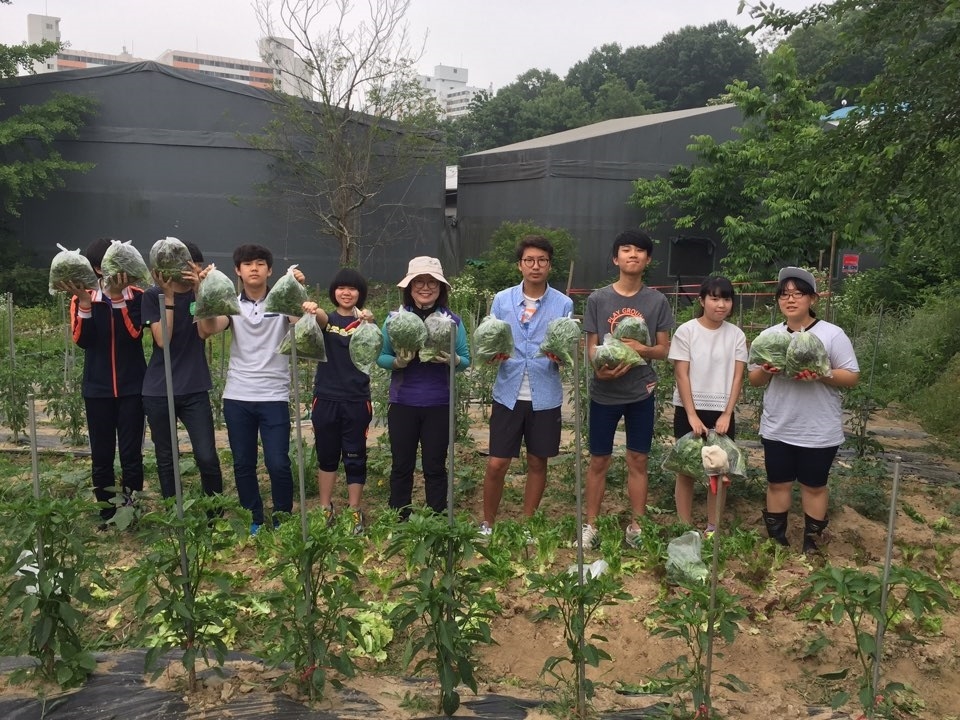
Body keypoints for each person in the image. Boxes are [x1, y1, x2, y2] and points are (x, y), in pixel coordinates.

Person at [748, 267, 859, 553]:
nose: (791, 299)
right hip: (779, 425)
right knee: (777, 483)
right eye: (784, 294)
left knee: (814, 487)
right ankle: (777, 543)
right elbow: (755, 380)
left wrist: (821, 373)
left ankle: (813, 544)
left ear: (812, 299)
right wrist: (766, 370)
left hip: (818, 427)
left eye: (798, 293)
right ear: (778, 301)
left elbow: (851, 377)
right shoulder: (769, 336)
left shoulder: (832, 334)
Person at [197, 244, 303, 535]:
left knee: (278, 462)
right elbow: (207, 329)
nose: (253, 268)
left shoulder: (280, 301)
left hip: (274, 396)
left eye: (260, 263)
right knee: (243, 462)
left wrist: (296, 293)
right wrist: (203, 292)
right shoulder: (232, 305)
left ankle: (282, 516)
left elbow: (300, 324)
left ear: (270, 271)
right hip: (237, 396)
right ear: (237, 271)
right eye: (247, 264)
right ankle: (253, 517)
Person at [581, 230, 674, 549]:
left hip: (640, 392)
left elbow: (663, 349)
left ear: (647, 260)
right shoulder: (598, 299)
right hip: (604, 392)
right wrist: (600, 369)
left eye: (640, 251)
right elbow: (591, 347)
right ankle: (590, 525)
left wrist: (641, 350)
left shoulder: (656, 301)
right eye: (626, 250)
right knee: (598, 460)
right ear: (615, 258)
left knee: (638, 459)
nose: (633, 255)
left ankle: (637, 525)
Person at [478, 235, 574, 537]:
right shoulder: (502, 299)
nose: (536, 266)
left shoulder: (563, 303)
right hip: (508, 392)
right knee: (496, 463)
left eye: (542, 261)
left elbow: (567, 348)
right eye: (529, 260)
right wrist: (492, 355)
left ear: (549, 265)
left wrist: (562, 357)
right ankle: (488, 523)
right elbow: (490, 340)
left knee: (537, 460)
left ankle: (528, 524)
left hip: (545, 394)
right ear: (520, 265)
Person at [56, 238, 146, 527]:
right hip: (97, 390)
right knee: (102, 455)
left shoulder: (137, 296)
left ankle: (131, 509)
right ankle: (107, 513)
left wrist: (118, 299)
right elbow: (83, 340)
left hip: (133, 387)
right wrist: (84, 303)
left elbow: (134, 335)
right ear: (97, 269)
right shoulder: (82, 299)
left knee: (132, 453)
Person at [376, 256, 471, 519]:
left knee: (435, 465)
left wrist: (453, 360)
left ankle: (437, 517)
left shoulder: (452, 321)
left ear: (441, 288)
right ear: (409, 287)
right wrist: (397, 362)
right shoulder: (396, 320)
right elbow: (381, 357)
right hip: (403, 402)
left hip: (439, 403)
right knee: (401, 464)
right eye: (419, 282)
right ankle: (399, 517)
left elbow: (466, 358)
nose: (425, 287)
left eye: (432, 282)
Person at [141, 240, 224, 501]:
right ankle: (172, 513)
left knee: (206, 456)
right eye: (186, 264)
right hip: (159, 390)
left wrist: (200, 291)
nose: (191, 269)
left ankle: (214, 514)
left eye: (195, 264)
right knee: (167, 457)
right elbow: (162, 341)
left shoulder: (201, 294)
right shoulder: (151, 296)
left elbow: (205, 330)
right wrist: (167, 296)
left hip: (194, 388)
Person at [668, 276, 748, 534]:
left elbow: (738, 376)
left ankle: (712, 528)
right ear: (702, 301)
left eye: (726, 299)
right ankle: (684, 527)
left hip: (721, 412)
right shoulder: (687, 331)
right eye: (714, 298)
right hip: (689, 409)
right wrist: (691, 415)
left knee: (719, 472)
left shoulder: (736, 335)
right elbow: (682, 374)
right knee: (686, 470)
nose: (721, 305)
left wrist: (727, 413)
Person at [302, 268, 375, 535]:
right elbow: (319, 317)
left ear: (360, 294)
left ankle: (354, 510)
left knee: (355, 455)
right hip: (326, 398)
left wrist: (370, 320)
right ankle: (325, 508)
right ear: (334, 292)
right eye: (341, 288)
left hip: (357, 399)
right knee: (327, 455)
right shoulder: (327, 320)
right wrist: (311, 307)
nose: (346, 292)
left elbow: (376, 344)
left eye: (353, 289)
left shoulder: (366, 323)